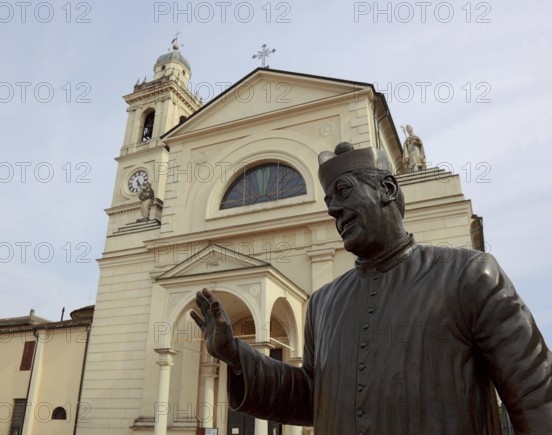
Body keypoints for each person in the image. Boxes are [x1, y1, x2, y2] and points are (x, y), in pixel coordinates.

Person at [191, 142, 552, 434]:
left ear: (388, 188)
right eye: (329, 201)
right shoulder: (322, 303)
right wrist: (237, 356)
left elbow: (537, 396)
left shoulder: (470, 274)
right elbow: (312, 397)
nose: (334, 210)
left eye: (343, 192)